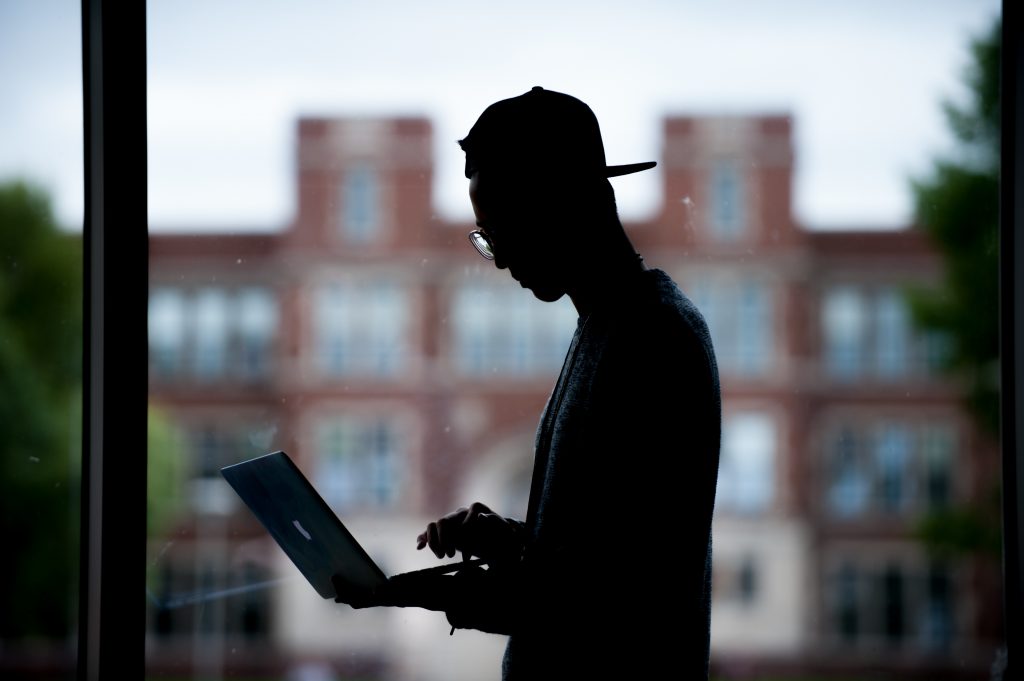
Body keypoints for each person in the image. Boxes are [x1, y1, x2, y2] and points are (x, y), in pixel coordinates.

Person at [333, 86, 721, 680]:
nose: (502, 260)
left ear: (569, 203)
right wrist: (512, 540)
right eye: (489, 239)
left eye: (506, 229)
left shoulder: (652, 339)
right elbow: (598, 552)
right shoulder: (613, 329)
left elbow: (616, 596)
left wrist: (425, 595)